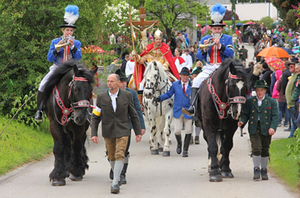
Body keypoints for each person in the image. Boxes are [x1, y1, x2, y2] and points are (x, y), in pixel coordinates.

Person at [90, 74, 142, 194]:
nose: (109, 83)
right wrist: (94, 133)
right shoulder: (101, 97)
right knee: (111, 156)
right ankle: (117, 176)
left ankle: (115, 183)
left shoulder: (127, 95)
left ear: (118, 83)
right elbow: (95, 117)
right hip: (108, 131)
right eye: (108, 81)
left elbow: (133, 114)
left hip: (123, 130)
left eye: (112, 81)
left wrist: (138, 131)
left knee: (120, 154)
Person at [183, 3, 234, 116]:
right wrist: (205, 49)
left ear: (222, 29)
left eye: (218, 29)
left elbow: (231, 54)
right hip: (209, 66)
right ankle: (194, 108)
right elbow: (199, 58)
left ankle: (236, 108)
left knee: (235, 83)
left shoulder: (227, 38)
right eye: (215, 29)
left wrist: (220, 45)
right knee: (196, 82)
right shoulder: (205, 39)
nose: (216, 31)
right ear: (211, 29)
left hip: (223, 67)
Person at [35, 5, 82, 121]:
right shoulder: (55, 41)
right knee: (43, 83)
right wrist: (57, 48)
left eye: (71, 30)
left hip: (70, 69)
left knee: (83, 84)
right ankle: (39, 110)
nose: (69, 32)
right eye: (67, 30)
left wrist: (72, 47)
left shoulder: (77, 43)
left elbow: (78, 58)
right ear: (63, 30)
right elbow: (49, 59)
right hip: (57, 68)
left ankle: (87, 111)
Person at [107, 69, 145, 184]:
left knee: (124, 150)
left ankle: (122, 174)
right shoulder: (105, 93)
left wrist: (141, 127)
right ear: (117, 83)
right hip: (110, 127)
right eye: (121, 82)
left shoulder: (131, 94)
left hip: (126, 126)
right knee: (110, 151)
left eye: (125, 82)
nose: (124, 84)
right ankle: (114, 169)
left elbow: (137, 111)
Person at [238, 80, 278, 180]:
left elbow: (275, 116)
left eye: (261, 90)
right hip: (254, 127)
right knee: (256, 149)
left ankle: (264, 170)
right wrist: (242, 122)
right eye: (257, 90)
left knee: (265, 149)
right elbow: (246, 114)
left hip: (266, 127)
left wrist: (273, 127)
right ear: (255, 91)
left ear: (265, 90)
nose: (259, 92)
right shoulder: (251, 101)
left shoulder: (271, 101)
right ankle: (256, 169)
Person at [153, 67, 193, 157]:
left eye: (187, 75)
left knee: (188, 130)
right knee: (177, 130)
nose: (185, 77)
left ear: (189, 76)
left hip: (188, 111)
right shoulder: (175, 84)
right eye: (183, 75)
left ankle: (185, 150)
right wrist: (159, 98)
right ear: (180, 76)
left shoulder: (192, 85)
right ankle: (179, 144)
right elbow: (169, 94)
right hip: (178, 110)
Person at [285, 60, 298, 138]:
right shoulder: (292, 76)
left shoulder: (296, 76)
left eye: (292, 67)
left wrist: (293, 98)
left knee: (294, 120)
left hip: (293, 102)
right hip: (289, 102)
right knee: (292, 119)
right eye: (289, 66)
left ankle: (293, 134)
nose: (290, 68)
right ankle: (293, 134)